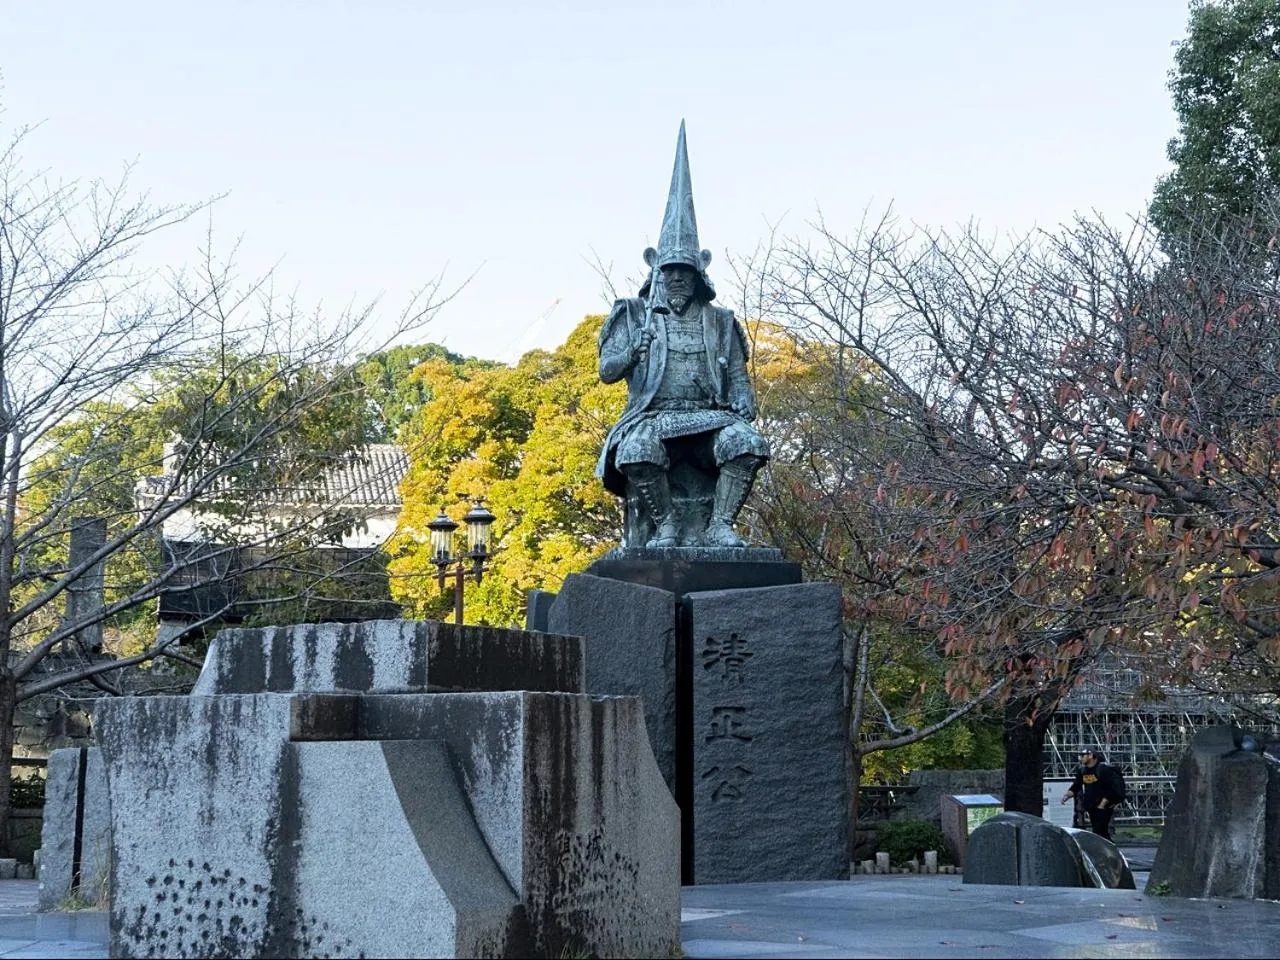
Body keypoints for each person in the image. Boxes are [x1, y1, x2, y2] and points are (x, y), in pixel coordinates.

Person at [596, 122, 768, 547]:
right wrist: (631, 356)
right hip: (653, 417)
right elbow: (606, 371)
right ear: (656, 270)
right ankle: (666, 524)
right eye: (670, 271)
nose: (677, 280)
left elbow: (741, 385)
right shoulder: (633, 313)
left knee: (747, 442)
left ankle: (720, 526)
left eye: (685, 272)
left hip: (709, 419)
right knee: (635, 451)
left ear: (699, 273)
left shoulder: (721, 321)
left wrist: (743, 401)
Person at [1060, 747, 1126, 841]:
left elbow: (1111, 789)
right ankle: (1107, 851)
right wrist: (1067, 796)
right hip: (1092, 806)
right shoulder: (1082, 770)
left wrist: (1102, 805)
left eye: (1083, 755)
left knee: (1099, 831)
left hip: (1104, 806)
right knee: (1101, 832)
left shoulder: (1103, 770)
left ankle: (1108, 851)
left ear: (1091, 756)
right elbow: (1076, 785)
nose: (1080, 758)